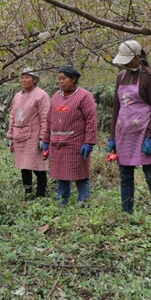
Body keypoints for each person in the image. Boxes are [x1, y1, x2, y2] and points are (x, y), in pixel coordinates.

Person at [109, 40, 151, 222]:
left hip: (143, 133)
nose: (124, 64)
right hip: (124, 132)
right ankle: (127, 213)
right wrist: (112, 137)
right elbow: (116, 108)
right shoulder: (120, 77)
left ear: (136, 57)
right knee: (125, 176)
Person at [43, 65, 98, 205]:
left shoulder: (84, 96)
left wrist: (89, 142)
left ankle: (83, 201)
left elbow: (91, 120)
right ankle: (62, 201)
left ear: (73, 79)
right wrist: (46, 140)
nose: (61, 82)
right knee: (60, 174)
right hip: (57, 143)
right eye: (59, 79)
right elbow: (49, 119)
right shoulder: (56, 96)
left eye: (64, 78)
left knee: (80, 174)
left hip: (76, 144)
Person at [6, 68, 51, 197]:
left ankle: (41, 194)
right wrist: (10, 135)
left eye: (27, 77)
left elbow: (45, 118)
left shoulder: (42, 95)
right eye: (22, 77)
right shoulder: (17, 96)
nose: (23, 80)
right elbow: (12, 116)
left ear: (35, 80)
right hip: (19, 135)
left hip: (34, 136)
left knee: (37, 166)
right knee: (24, 166)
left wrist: (43, 137)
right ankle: (28, 192)